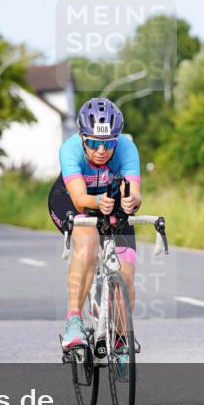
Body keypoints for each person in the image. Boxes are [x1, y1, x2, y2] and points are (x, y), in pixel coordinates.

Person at [48, 98, 141, 351]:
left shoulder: (127, 148)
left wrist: (132, 201)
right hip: (71, 200)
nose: (101, 150)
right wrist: (98, 202)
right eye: (93, 143)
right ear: (82, 138)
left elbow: (134, 192)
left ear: (117, 139)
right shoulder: (70, 149)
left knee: (127, 274)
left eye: (108, 143)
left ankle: (120, 339)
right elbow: (80, 200)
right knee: (88, 242)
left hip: (110, 202)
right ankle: (74, 322)